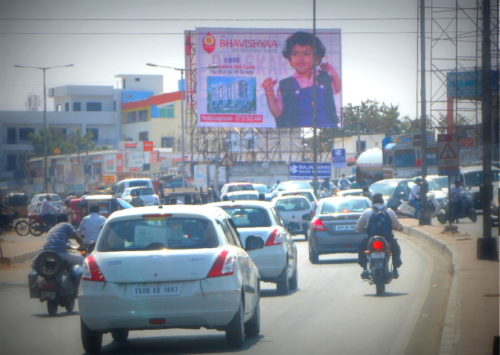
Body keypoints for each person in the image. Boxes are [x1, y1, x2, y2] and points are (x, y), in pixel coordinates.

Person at [262, 31, 341, 128]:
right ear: (289, 58)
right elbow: (277, 112)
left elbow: (337, 89)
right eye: (295, 53)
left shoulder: (324, 77)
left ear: (316, 58)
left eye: (306, 53)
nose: (301, 58)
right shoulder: (285, 85)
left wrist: (332, 71)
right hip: (297, 130)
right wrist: (269, 93)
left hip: (326, 128)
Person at [356, 193, 403, 279]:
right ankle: (395, 270)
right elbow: (397, 225)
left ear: (372, 201)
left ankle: (365, 268)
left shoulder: (367, 212)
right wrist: (399, 228)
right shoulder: (389, 211)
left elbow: (359, 226)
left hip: (371, 238)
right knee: (396, 249)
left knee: (360, 248)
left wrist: (359, 230)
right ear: (382, 201)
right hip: (387, 238)